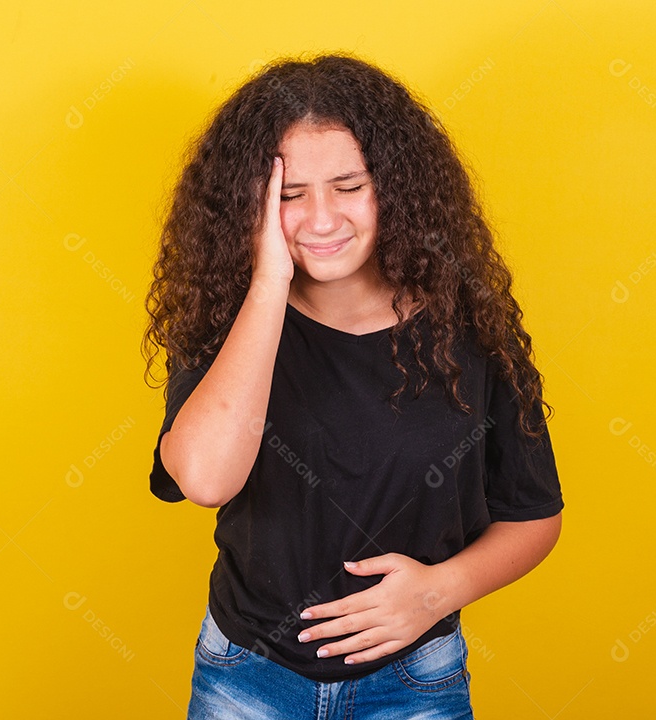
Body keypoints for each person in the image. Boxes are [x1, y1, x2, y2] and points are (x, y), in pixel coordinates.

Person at [141, 52, 564, 720]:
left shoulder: (470, 327)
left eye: (349, 185)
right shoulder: (230, 320)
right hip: (245, 677)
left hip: (415, 683)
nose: (321, 218)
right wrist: (269, 283)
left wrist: (439, 591)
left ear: (393, 187)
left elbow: (534, 513)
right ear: (250, 206)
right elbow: (206, 480)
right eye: (289, 194)